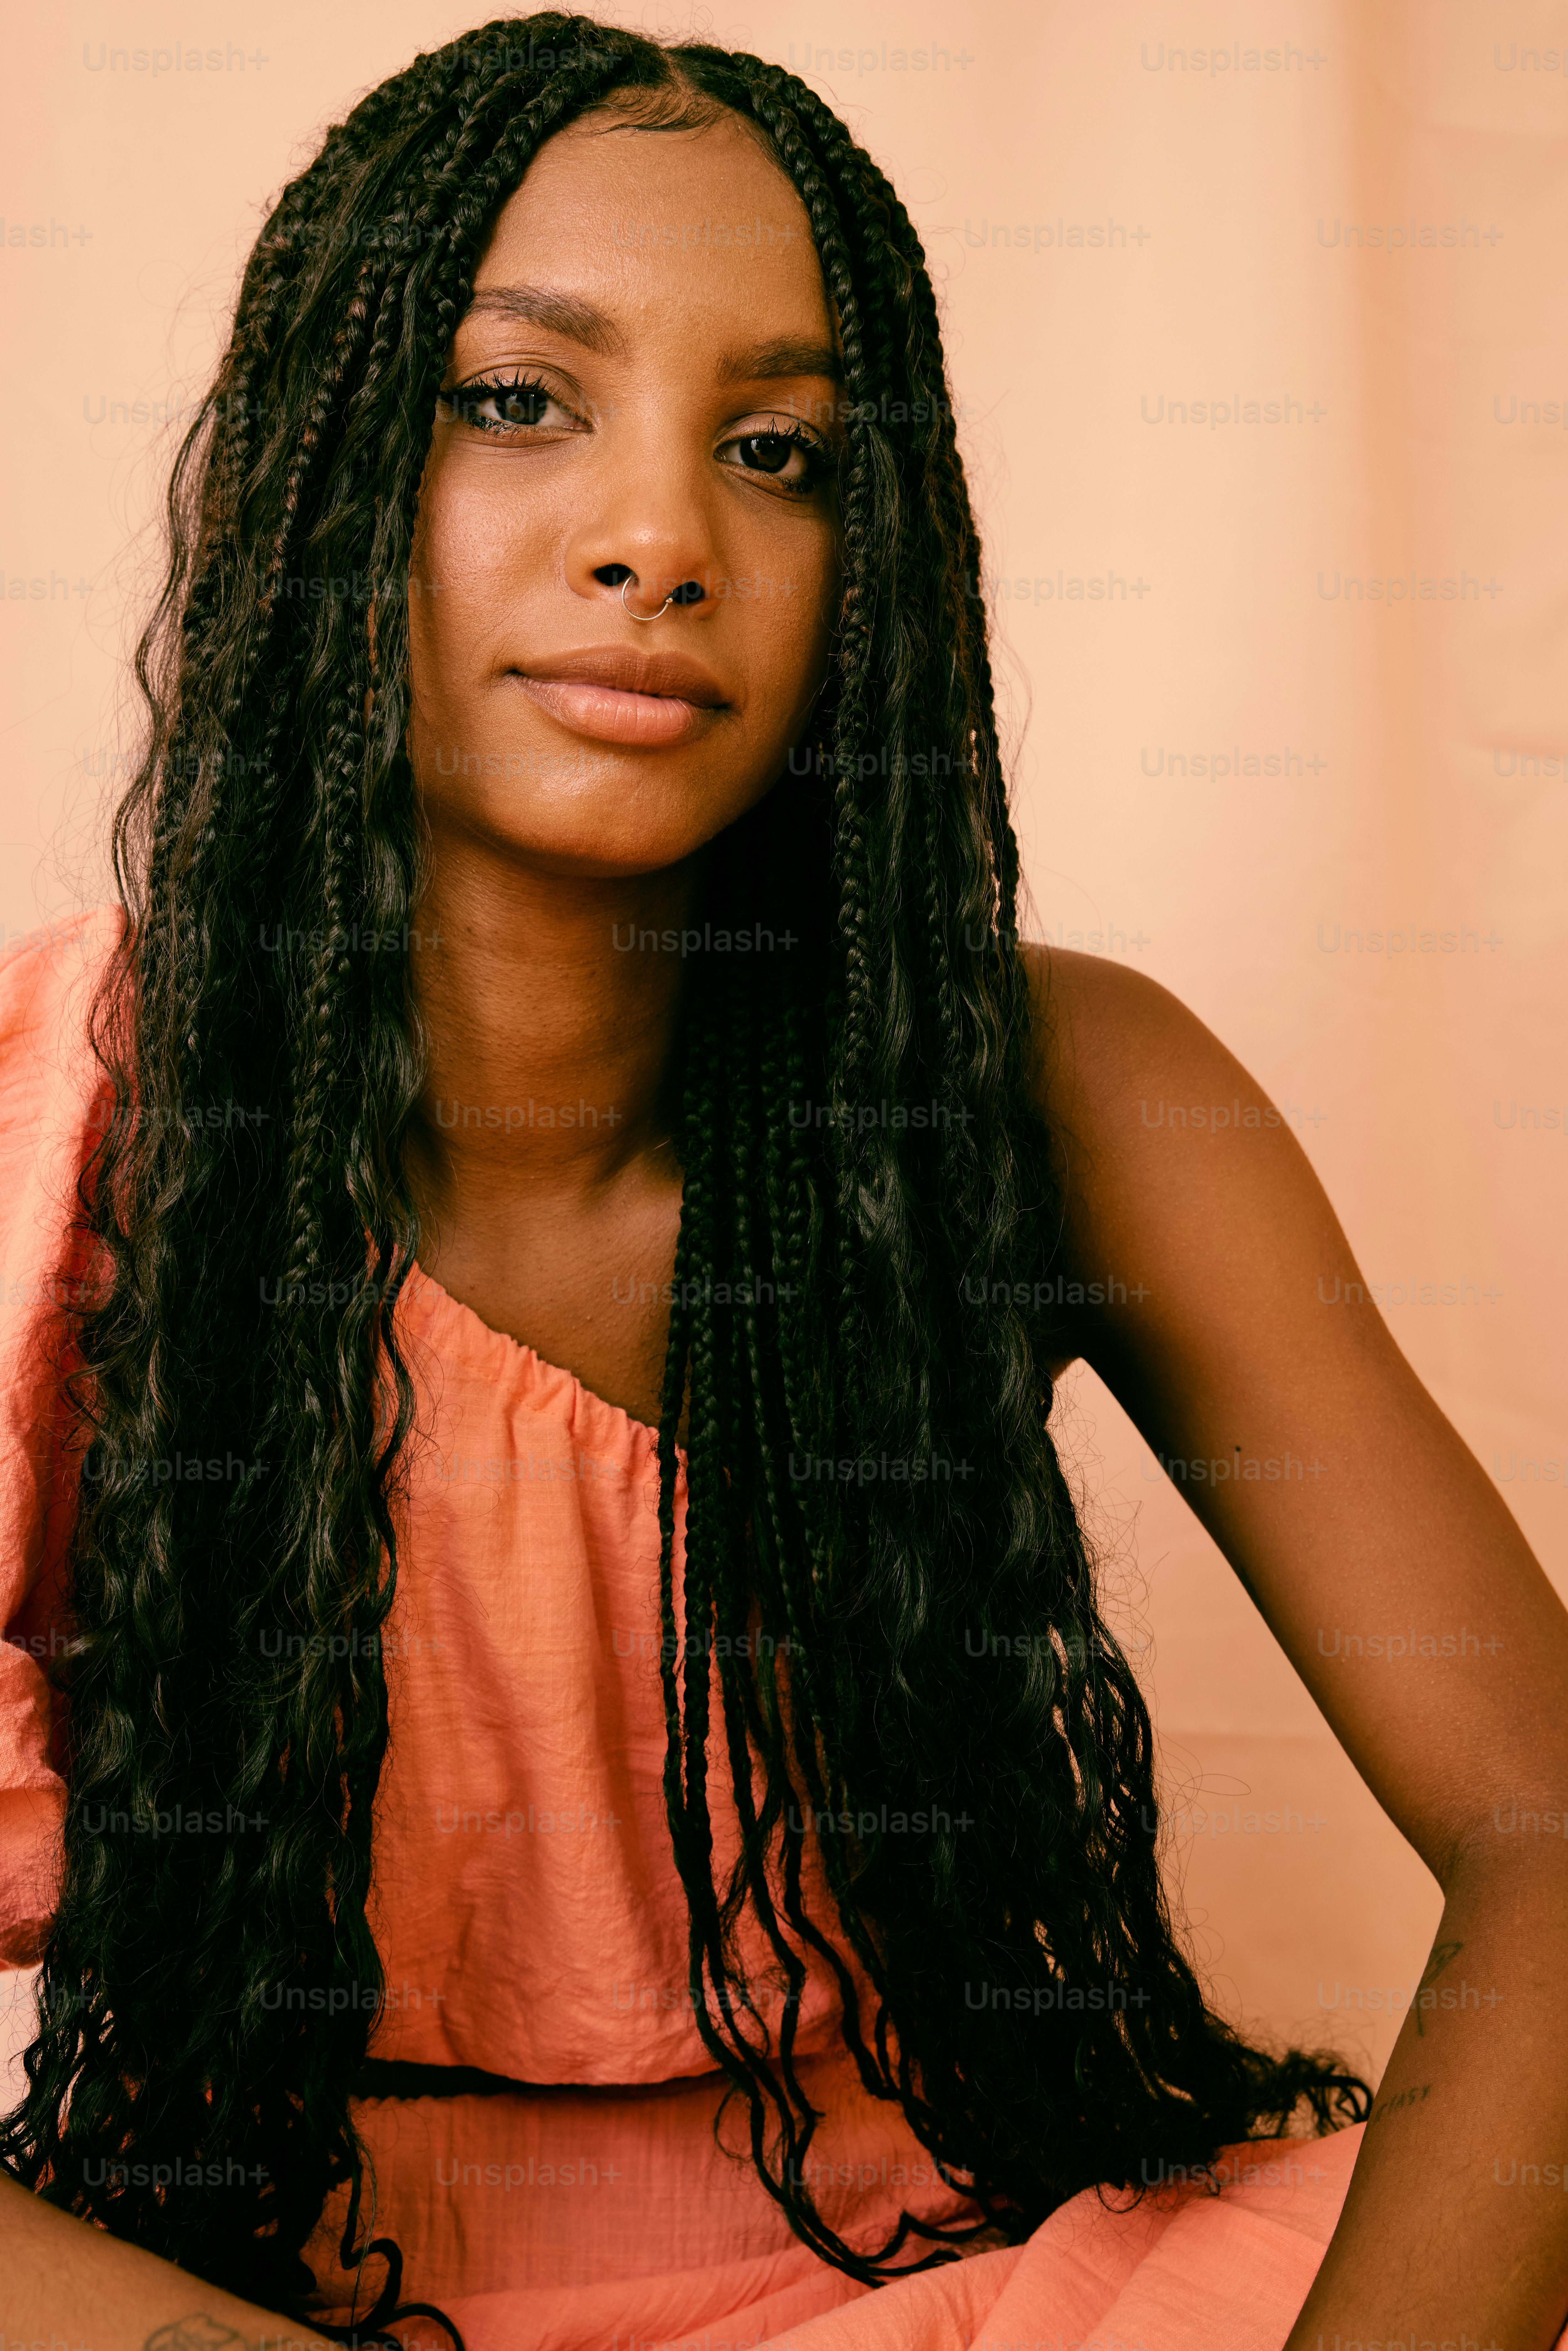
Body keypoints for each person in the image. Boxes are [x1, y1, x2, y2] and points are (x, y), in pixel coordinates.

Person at [3, 16, 1567, 2350]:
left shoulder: (1071, 1092)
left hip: (988, 2284)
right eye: (517, 399)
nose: (658, 538)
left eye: (781, 451)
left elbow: (1550, 1834)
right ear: (316, 472)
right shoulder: (61, 1116)